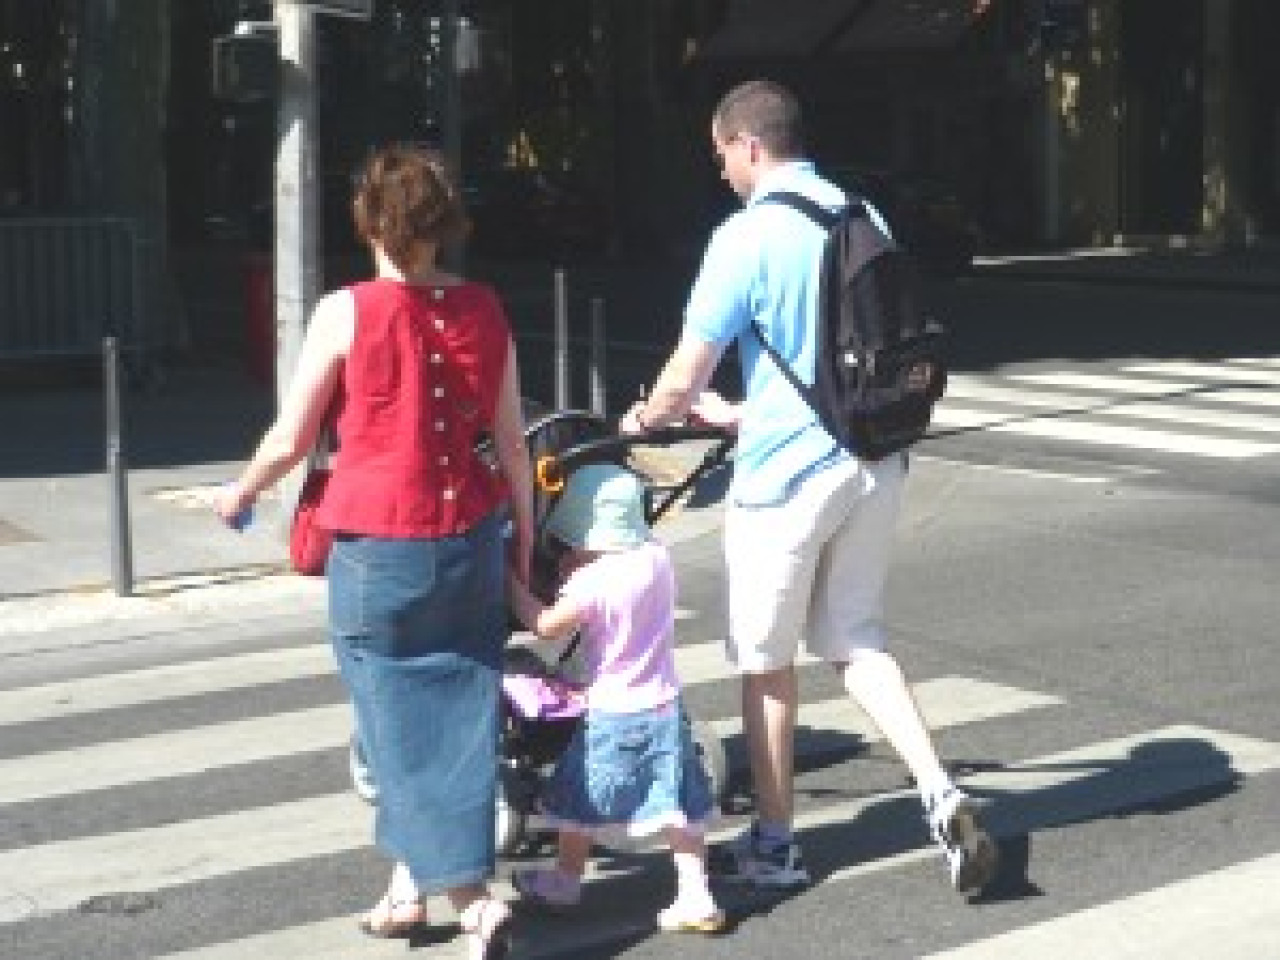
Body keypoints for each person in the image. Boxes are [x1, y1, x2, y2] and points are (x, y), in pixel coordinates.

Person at [617, 79, 998, 895]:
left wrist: (649, 416)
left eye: (721, 154)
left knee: (766, 664)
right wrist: (742, 415)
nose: (720, 172)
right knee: (857, 640)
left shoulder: (744, 238)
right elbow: (838, 354)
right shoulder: (862, 216)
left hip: (786, 481)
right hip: (873, 457)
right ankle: (940, 788)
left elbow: (687, 370)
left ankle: (775, 845)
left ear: (749, 146)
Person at [214, 143, 533, 959]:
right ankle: (404, 892)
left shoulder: (345, 310)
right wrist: (522, 545)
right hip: (469, 538)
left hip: (377, 548)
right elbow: (508, 439)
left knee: (389, 726)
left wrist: (243, 490)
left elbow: (291, 437)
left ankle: (472, 901)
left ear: (369, 222)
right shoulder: (486, 308)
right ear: (443, 223)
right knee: (457, 720)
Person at [505, 463, 726, 933]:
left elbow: (546, 625)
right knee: (676, 804)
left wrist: (513, 589)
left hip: (612, 710)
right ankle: (696, 893)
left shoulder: (593, 581)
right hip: (665, 704)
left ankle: (566, 879)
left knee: (579, 800)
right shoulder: (656, 558)